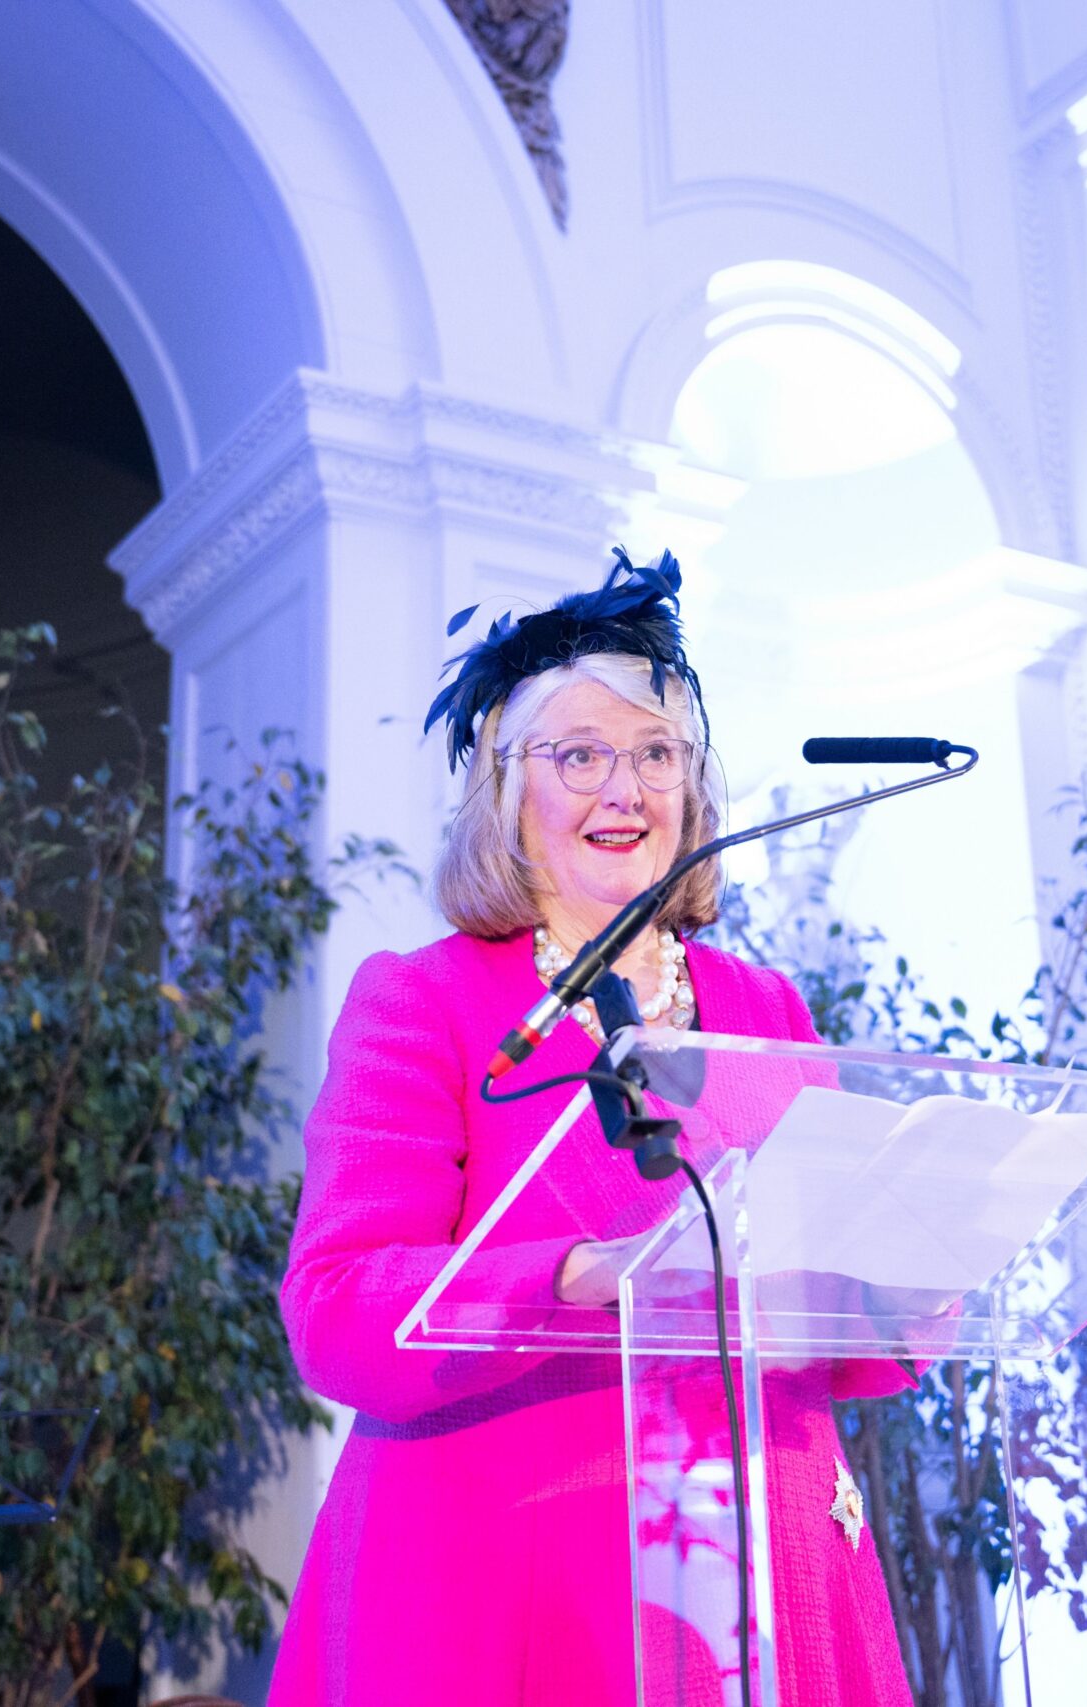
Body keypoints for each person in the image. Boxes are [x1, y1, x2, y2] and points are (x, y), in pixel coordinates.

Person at [267, 551, 915, 1706]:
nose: (624, 790)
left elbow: (852, 1336)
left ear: (693, 791)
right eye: (578, 756)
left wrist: (915, 1266)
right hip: (512, 1588)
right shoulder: (421, 1003)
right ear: (506, 793)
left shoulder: (767, 1008)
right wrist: (577, 1274)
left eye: (656, 756)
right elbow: (337, 1309)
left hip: (768, 1573)